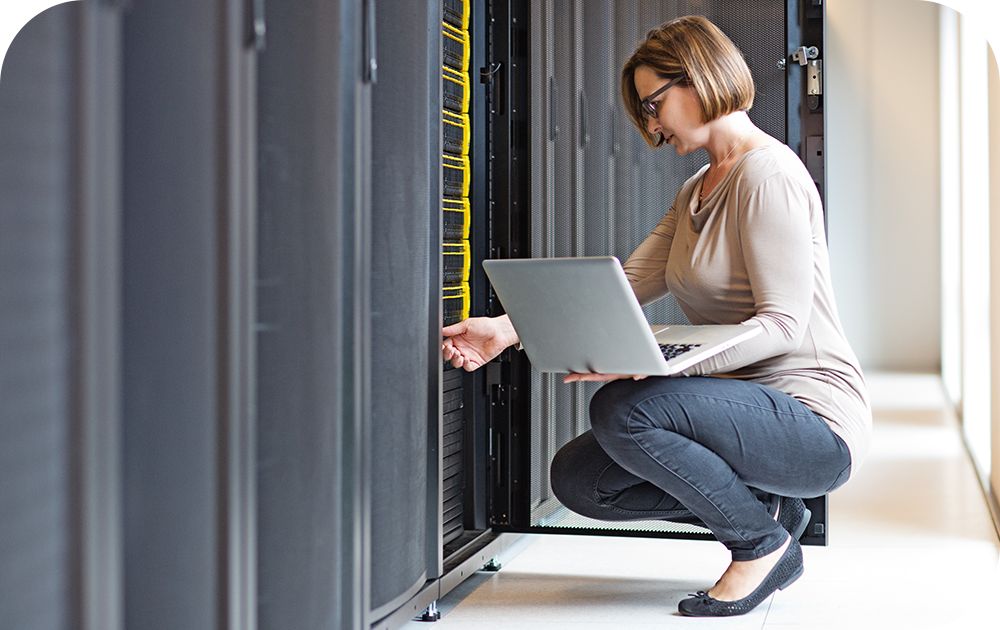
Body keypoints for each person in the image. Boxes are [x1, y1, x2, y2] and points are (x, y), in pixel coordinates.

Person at [441, 15, 871, 618]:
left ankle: (759, 546)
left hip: (811, 417)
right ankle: (766, 514)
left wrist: (669, 369)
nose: (649, 124)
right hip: (736, 410)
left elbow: (783, 326)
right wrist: (505, 331)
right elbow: (630, 281)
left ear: (697, 81)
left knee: (624, 408)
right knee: (580, 479)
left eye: (653, 103)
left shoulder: (768, 176)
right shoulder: (698, 186)